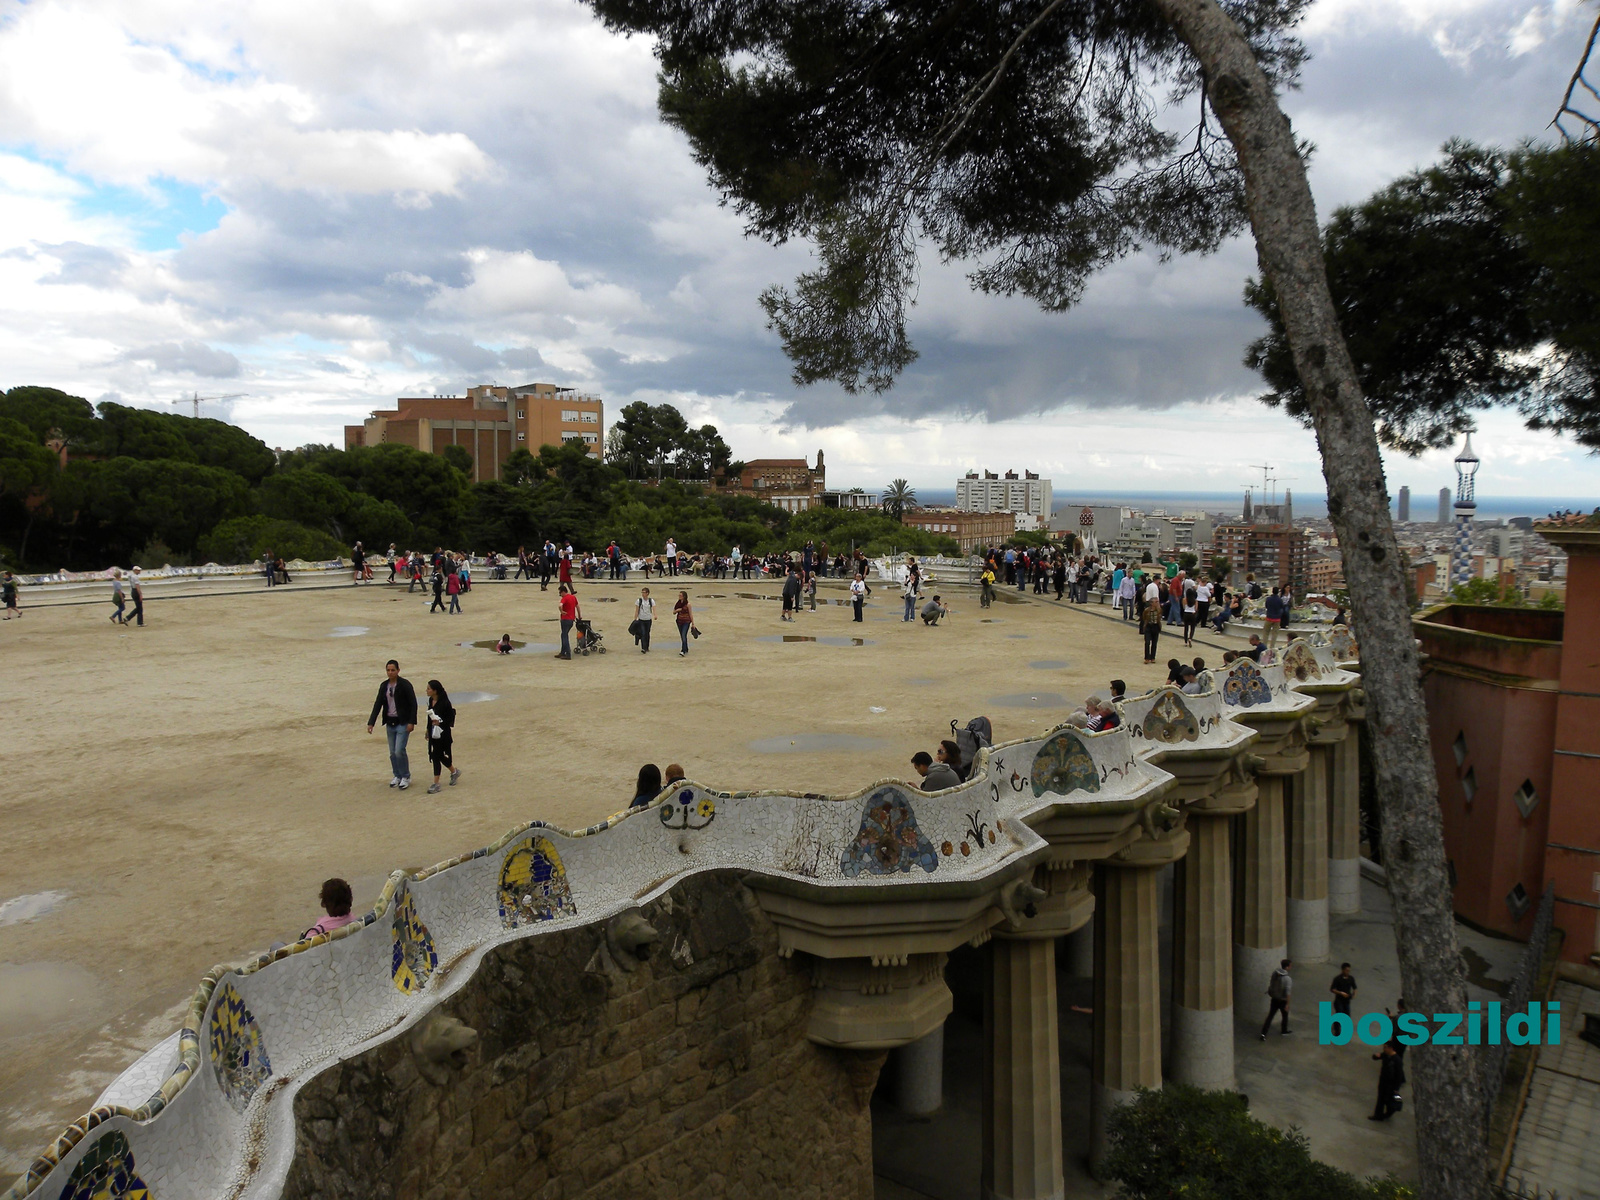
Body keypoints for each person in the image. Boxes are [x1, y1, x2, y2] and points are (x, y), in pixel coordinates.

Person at [366, 659, 418, 790]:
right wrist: (371, 722)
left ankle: (405, 776)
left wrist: (411, 722)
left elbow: (413, 704)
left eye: (393, 670)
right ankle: (397, 775)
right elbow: (378, 704)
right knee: (392, 753)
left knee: (399, 750)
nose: (390, 672)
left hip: (403, 722)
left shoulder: (405, 685)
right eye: (388, 670)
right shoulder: (384, 686)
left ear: (398, 671)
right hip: (390, 722)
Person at [424, 679, 461, 794]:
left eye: (429, 688)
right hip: (434, 733)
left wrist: (440, 723)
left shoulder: (445, 703)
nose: (426, 690)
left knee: (436, 756)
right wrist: (427, 729)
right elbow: (430, 717)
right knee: (438, 756)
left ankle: (436, 783)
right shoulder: (431, 700)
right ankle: (454, 772)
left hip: (443, 734)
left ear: (435, 691)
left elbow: (450, 720)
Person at [1369, 1041, 1406, 1121]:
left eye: (1385, 1047)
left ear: (1390, 1048)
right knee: (1380, 1099)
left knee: (1388, 1100)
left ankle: (1389, 1113)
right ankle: (1378, 1115)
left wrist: (1396, 1088)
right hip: (1383, 1082)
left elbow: (1399, 1075)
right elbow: (1375, 1057)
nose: (1384, 1049)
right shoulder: (1386, 1055)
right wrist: (1375, 1056)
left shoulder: (1397, 1060)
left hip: (1391, 1085)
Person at [1260, 958, 1293, 1039]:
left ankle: (1263, 1033)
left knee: (1270, 1016)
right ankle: (1284, 1030)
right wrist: (1287, 1004)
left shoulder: (1275, 973)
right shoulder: (1287, 979)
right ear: (1287, 967)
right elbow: (1288, 993)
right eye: (1290, 966)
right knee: (1285, 1016)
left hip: (1274, 998)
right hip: (1283, 1000)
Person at [556, 584, 578, 659]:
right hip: (571, 619)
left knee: (564, 636)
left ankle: (567, 653)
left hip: (565, 619)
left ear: (562, 592)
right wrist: (580, 615)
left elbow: (560, 605)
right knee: (564, 635)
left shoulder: (564, 598)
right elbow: (577, 606)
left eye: (560, 593)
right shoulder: (573, 597)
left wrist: (561, 611)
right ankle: (562, 652)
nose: (560, 595)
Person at [1140, 589, 1162, 664]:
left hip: (1155, 626)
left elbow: (1159, 617)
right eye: (1156, 602)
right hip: (1149, 626)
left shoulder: (1159, 610)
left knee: (1154, 643)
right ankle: (1147, 657)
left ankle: (1153, 657)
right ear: (1152, 603)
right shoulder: (1147, 610)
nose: (1157, 604)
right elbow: (1144, 617)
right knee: (1147, 642)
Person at [1263, 586, 1286, 652]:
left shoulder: (1268, 599)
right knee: (1274, 633)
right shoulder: (1280, 600)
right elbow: (1282, 607)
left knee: (1266, 632)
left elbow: (1266, 606)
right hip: (1277, 619)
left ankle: (1264, 646)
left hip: (1269, 617)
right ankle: (1272, 647)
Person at [633, 586, 655, 653]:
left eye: (644, 592)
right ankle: (643, 648)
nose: (643, 594)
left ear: (647, 593)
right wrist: (635, 619)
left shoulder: (651, 601)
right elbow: (637, 610)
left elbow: (654, 608)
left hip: (648, 619)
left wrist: (655, 615)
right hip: (641, 619)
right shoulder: (639, 601)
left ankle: (647, 646)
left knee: (647, 633)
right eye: (642, 592)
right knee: (642, 633)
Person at [673, 590, 694, 657]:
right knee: (682, 636)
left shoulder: (688, 604)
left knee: (683, 635)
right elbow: (673, 612)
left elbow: (691, 614)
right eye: (679, 595)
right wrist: (677, 610)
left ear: (684, 597)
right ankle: (686, 648)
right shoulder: (678, 603)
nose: (679, 597)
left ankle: (683, 650)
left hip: (686, 622)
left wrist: (693, 623)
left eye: (680, 596)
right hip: (679, 621)